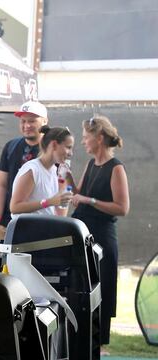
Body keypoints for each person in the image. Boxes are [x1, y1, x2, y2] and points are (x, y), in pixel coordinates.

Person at [71, 116, 130, 346]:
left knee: (102, 286)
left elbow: (122, 207)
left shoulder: (116, 168)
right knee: (82, 284)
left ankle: (100, 341)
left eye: (86, 137)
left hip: (103, 235)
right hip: (84, 231)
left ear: (100, 138)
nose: (84, 142)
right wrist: (66, 178)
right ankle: (82, 337)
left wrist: (90, 199)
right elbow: (80, 193)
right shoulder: (90, 164)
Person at [0, 101, 49, 240]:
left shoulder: (52, 149)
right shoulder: (11, 146)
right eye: (23, 121)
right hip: (11, 220)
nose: (27, 125)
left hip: (42, 222)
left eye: (32, 121)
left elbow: (63, 188)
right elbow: (1, 184)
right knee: (7, 261)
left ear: (44, 121)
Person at [9, 126, 75, 217]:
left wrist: (62, 195)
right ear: (54, 145)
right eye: (68, 147)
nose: (71, 153)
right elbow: (15, 207)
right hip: (26, 229)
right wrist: (49, 202)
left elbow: (59, 212)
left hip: (44, 228)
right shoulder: (32, 170)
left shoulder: (55, 171)